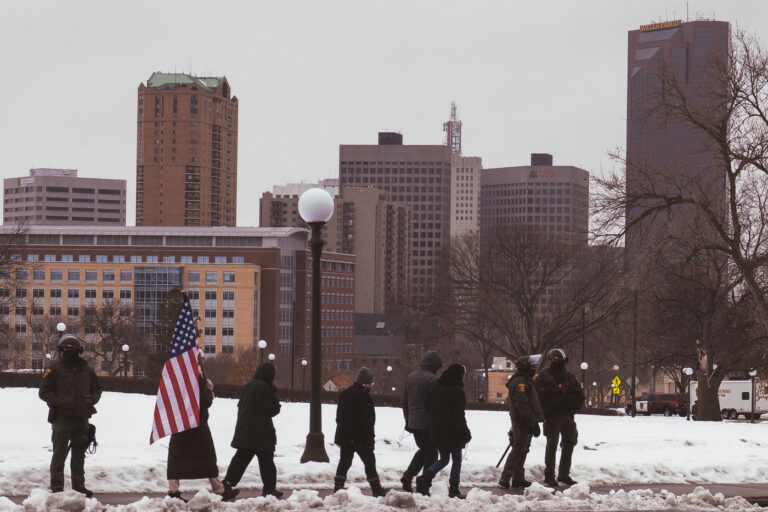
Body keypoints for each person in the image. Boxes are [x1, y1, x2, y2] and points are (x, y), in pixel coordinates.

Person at [39, 334, 102, 497]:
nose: (70, 353)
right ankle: (57, 486)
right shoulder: (54, 368)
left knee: (79, 454)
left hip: (82, 418)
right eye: (66, 350)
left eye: (73, 350)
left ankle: (78, 486)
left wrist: (90, 401)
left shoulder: (87, 370)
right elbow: (44, 392)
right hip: (62, 418)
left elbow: (97, 389)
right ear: (61, 351)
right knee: (59, 453)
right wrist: (59, 401)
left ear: (78, 351)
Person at [166, 358, 235, 501]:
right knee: (207, 458)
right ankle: (219, 489)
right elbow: (204, 402)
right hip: (197, 427)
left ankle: (173, 491)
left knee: (177, 459)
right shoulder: (196, 380)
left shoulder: (176, 379)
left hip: (180, 424)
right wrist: (208, 390)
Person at [222, 362, 282, 499]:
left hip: (245, 430)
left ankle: (227, 482)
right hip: (261, 433)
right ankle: (269, 489)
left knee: (241, 459)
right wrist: (275, 398)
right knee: (267, 461)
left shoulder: (249, 386)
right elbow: (273, 409)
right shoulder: (265, 388)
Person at [415, 363, 471, 499]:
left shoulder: (437, 387)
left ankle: (425, 477)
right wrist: (464, 432)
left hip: (437, 430)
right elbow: (458, 414)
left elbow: (428, 407)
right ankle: (454, 489)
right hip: (452, 431)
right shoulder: (457, 390)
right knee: (457, 459)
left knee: (444, 458)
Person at [332, 367, 388, 497]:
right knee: (369, 462)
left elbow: (338, 418)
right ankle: (376, 489)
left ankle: (338, 488)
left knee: (344, 462)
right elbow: (368, 420)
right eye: (370, 384)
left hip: (345, 436)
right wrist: (370, 439)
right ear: (366, 383)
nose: (371, 386)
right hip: (361, 438)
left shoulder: (344, 394)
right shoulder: (365, 396)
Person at [533, 349, 585, 487]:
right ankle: (549, 475)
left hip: (567, 414)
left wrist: (571, 402)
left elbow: (579, 395)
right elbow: (536, 393)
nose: (556, 362)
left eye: (558, 359)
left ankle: (563, 474)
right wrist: (553, 397)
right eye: (553, 359)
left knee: (570, 441)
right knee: (552, 444)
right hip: (551, 415)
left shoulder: (570, 377)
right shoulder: (543, 375)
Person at [498, 355, 544, 489]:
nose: (534, 369)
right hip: (522, 421)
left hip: (527, 419)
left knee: (523, 448)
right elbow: (522, 403)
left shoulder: (526, 380)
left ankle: (518, 478)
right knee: (518, 448)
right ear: (525, 367)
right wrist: (529, 421)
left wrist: (534, 421)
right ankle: (505, 478)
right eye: (532, 366)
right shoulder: (520, 383)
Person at [399, 350, 442, 492]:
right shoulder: (433, 380)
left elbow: (404, 402)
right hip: (429, 423)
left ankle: (408, 475)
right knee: (432, 453)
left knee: (424, 450)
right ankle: (424, 483)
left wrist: (408, 420)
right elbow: (435, 404)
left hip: (413, 421)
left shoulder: (410, 378)